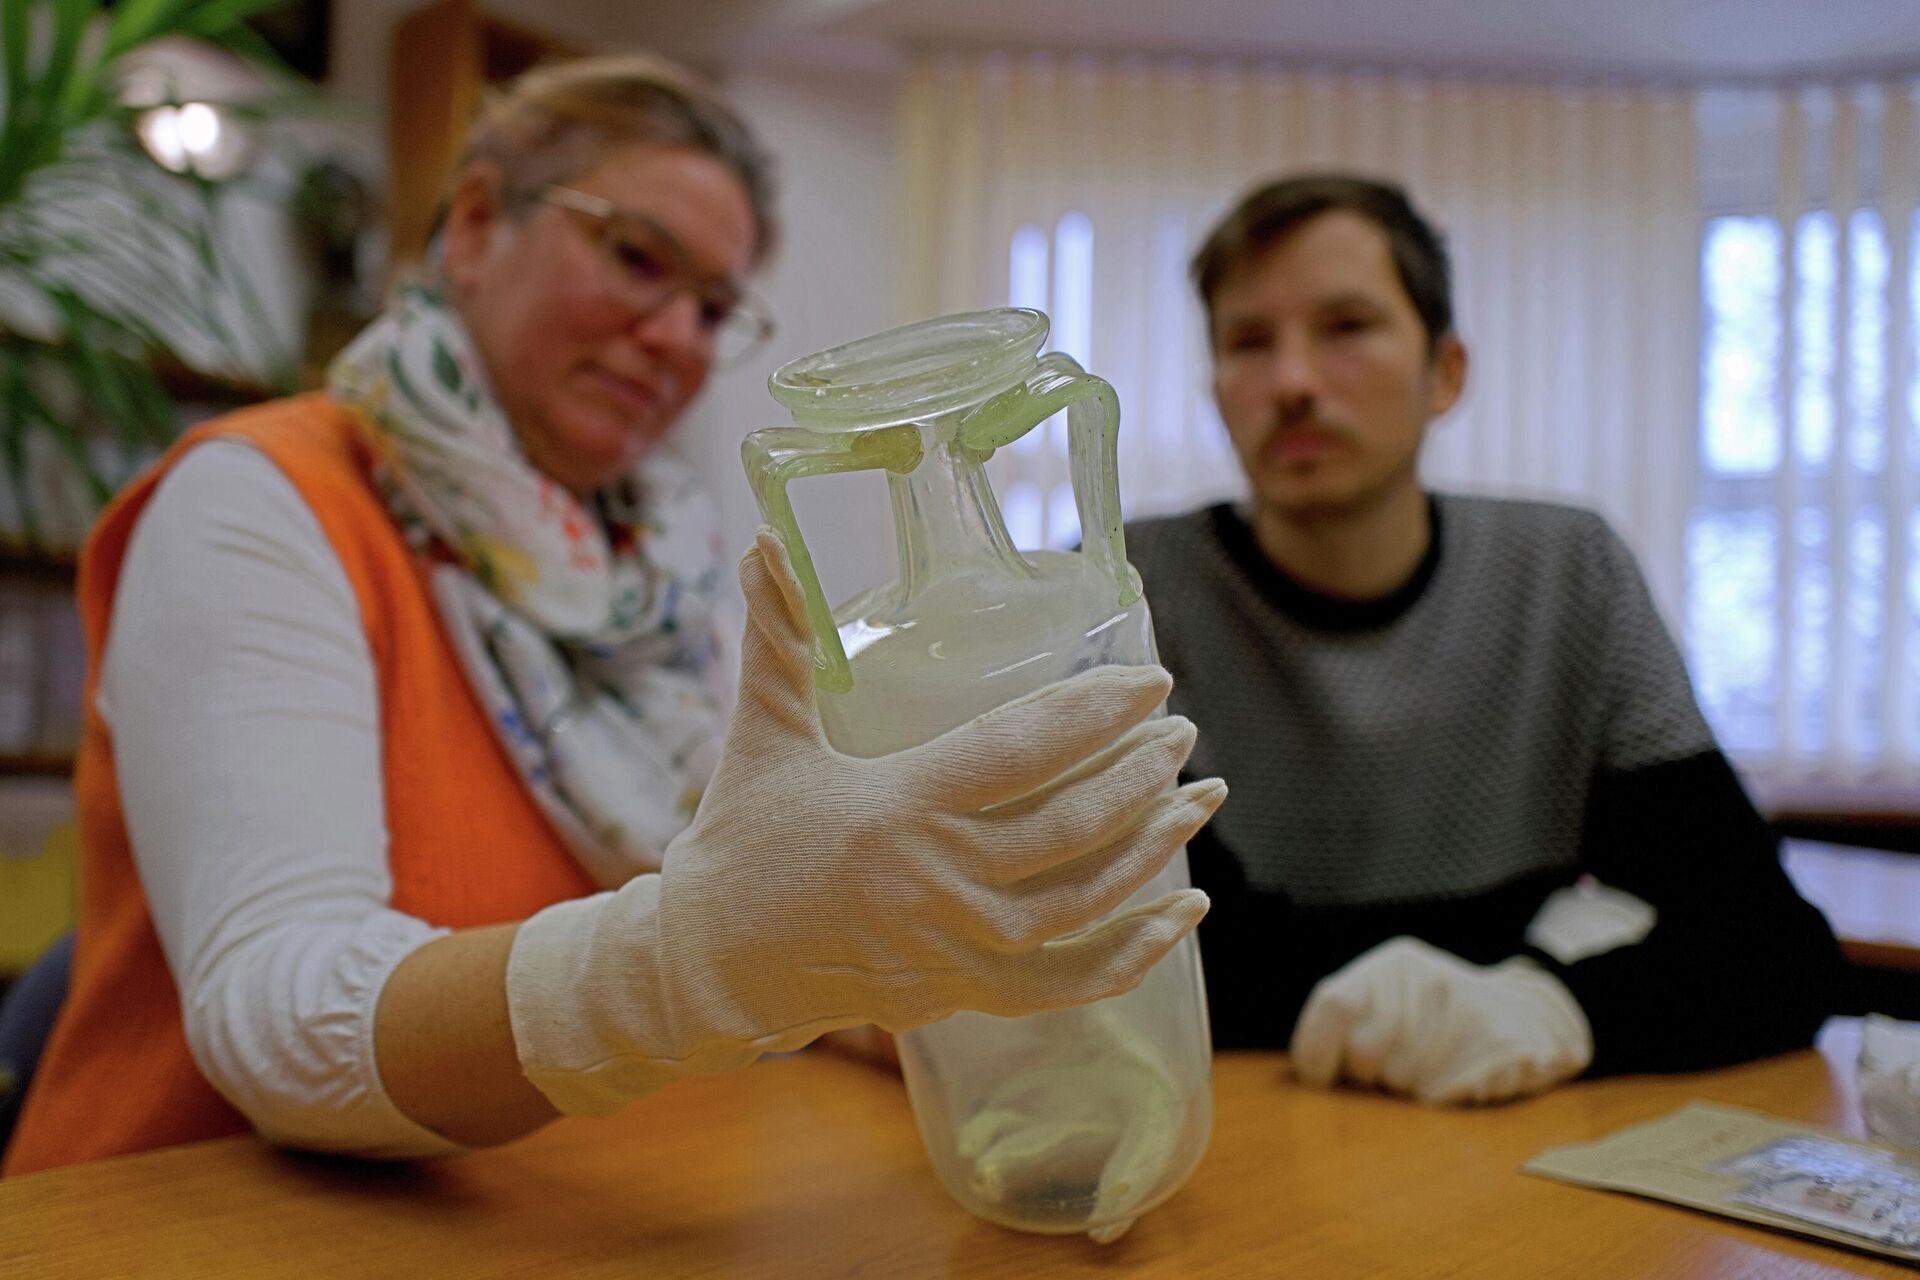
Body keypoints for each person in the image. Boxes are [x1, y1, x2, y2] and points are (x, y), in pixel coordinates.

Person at [2, 55, 1223, 1175]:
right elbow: (280, 1017)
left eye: (713, 306)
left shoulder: (666, 562)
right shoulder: (261, 504)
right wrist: (698, 959)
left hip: (567, 1201)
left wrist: (974, 991)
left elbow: (770, 908)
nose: (678, 335)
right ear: (475, 225)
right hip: (193, 1218)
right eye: (639, 259)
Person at [1123, 173, 1843, 1106]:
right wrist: (1517, 953)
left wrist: (1557, 1007)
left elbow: (1768, 945)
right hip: (1243, 1122)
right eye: (1248, 343)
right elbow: (1147, 963)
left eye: (1348, 327)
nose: (1293, 383)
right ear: (1216, 389)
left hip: (1508, 1125)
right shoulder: (1126, 593)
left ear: (1447, 372)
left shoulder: (1567, 571)